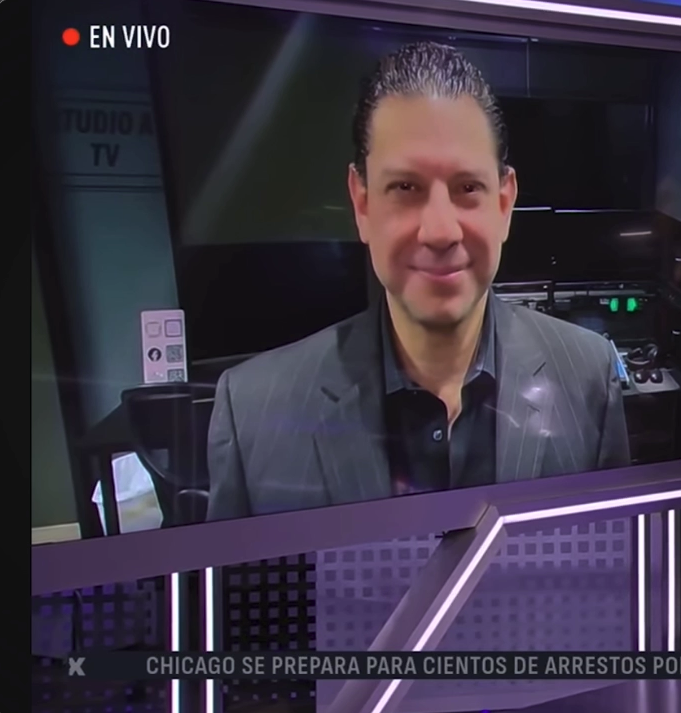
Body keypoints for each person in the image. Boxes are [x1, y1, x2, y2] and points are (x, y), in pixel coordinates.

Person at [206, 42, 630, 519]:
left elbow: (609, 563)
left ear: (504, 203)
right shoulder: (252, 414)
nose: (440, 231)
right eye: (405, 187)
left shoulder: (588, 376)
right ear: (362, 203)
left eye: (467, 187)